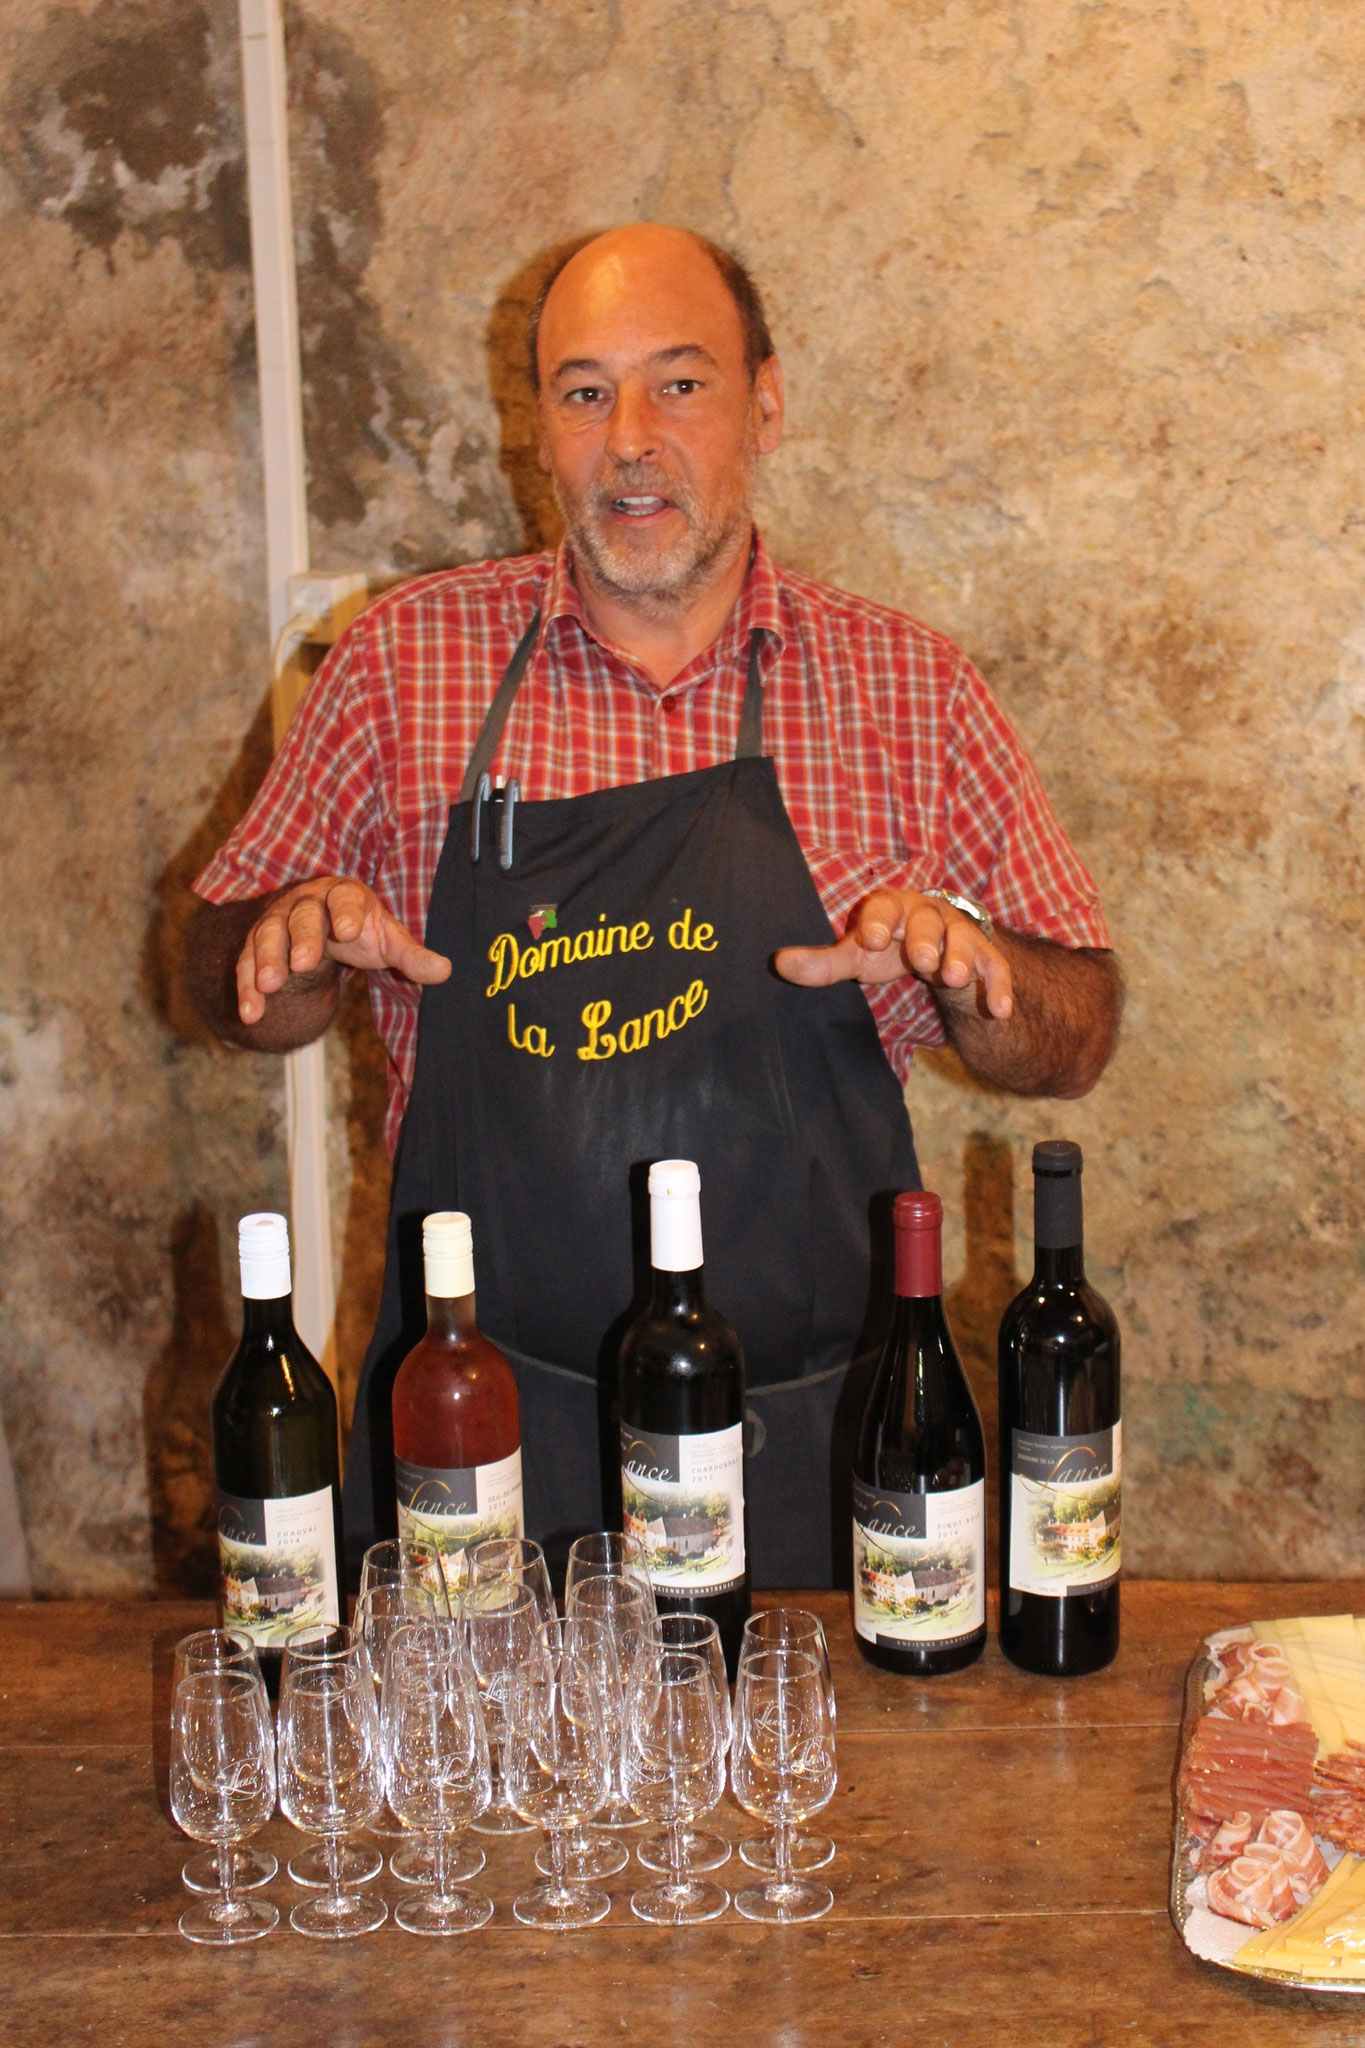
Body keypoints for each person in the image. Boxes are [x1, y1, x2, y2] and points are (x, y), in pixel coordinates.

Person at [186, 223, 1121, 1586]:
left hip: (810, 1451)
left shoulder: (908, 693)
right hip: (475, 1434)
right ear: (539, 429)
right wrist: (293, 954)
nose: (629, 439)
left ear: (767, 405)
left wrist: (984, 981)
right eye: (584, 393)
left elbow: (1078, 1032)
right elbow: (222, 979)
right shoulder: (403, 665)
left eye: (679, 384)